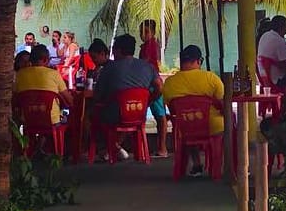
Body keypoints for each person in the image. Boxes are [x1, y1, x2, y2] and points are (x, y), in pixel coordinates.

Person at [162, 45, 224, 175]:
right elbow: (222, 103)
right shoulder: (211, 78)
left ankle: (196, 164)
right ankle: (227, 165)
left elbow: (172, 109)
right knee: (230, 122)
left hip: (185, 126)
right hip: (212, 126)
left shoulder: (169, 82)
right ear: (199, 61)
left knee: (190, 120)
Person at [95, 34, 162, 127]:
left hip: (116, 117)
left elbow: (98, 95)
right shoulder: (148, 67)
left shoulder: (109, 68)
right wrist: (149, 101)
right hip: (139, 114)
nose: (112, 52)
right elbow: (159, 87)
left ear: (119, 50)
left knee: (93, 113)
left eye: (113, 49)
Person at [13, 43, 73, 124]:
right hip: (52, 122)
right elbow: (69, 100)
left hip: (28, 121)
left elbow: (15, 99)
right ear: (45, 60)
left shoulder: (20, 74)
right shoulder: (54, 74)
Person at [139, 20, 169, 158]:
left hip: (152, 82)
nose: (143, 35)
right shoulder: (146, 46)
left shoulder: (151, 45)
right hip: (147, 82)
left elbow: (148, 62)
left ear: (152, 32)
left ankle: (162, 147)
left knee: (160, 116)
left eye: (146, 32)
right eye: (141, 32)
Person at [257, 15, 286, 87]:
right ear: (283, 27)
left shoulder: (265, 36)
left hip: (263, 78)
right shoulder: (280, 41)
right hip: (276, 80)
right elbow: (284, 65)